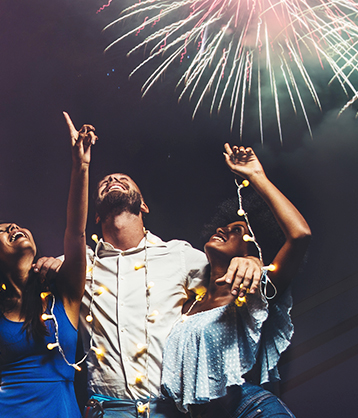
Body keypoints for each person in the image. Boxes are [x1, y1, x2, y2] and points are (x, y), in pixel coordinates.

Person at [35, 165, 266, 417]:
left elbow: (224, 290)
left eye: (124, 178)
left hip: (169, 408)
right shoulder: (80, 265)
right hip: (108, 409)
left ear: (143, 206)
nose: (113, 178)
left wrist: (251, 261)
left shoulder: (179, 255)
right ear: (96, 216)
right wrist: (51, 264)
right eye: (106, 181)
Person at [161, 145, 311, 417]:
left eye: (237, 230)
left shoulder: (252, 290)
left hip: (252, 410)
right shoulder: (189, 306)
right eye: (225, 226)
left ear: (252, 250)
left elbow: (299, 235)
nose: (223, 229)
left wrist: (256, 176)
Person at [0, 112, 95, 417]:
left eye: (15, 225)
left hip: (60, 409)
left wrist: (81, 167)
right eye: (0, 231)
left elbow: (76, 232)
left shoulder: (65, 293)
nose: (12, 229)